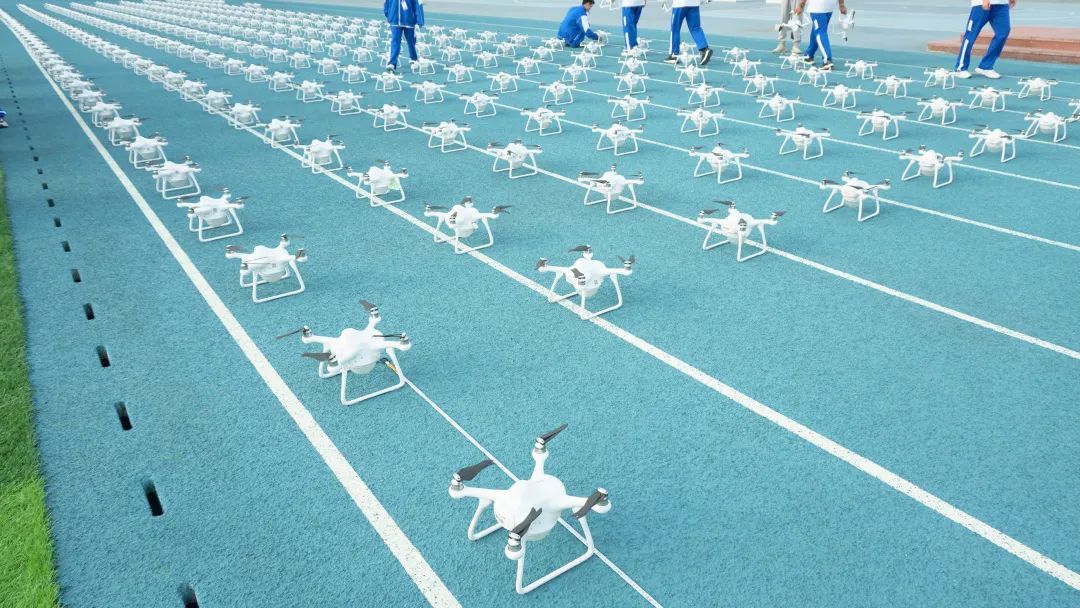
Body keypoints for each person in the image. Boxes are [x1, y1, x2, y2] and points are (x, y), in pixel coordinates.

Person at [954, 0, 1015, 79]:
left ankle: (985, 66)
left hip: (1001, 4)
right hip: (980, 5)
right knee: (971, 34)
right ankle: (960, 68)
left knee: (1003, 33)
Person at [795, 0, 847, 70]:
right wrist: (841, 5)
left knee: (820, 32)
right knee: (818, 29)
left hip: (818, 6)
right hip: (830, 5)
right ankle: (809, 55)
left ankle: (827, 60)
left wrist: (800, 6)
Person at [664, 0, 713, 65]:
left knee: (675, 29)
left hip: (680, 4)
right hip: (694, 4)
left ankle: (673, 55)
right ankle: (704, 49)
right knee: (695, 28)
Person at [384, 0, 425, 71]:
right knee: (395, 41)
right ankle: (392, 63)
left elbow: (418, 3)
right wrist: (389, 15)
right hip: (395, 20)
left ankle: (413, 58)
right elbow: (386, 2)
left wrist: (420, 20)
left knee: (411, 41)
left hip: (409, 20)